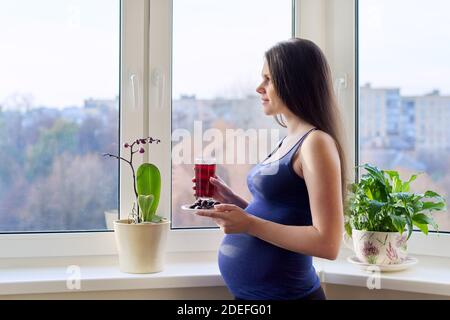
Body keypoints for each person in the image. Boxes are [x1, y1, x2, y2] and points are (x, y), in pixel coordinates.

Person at [193, 38, 347, 300]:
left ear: (294, 83)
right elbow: (283, 213)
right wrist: (233, 202)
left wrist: (249, 224)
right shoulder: (288, 140)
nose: (258, 88)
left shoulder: (316, 143)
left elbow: (328, 243)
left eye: (268, 79)